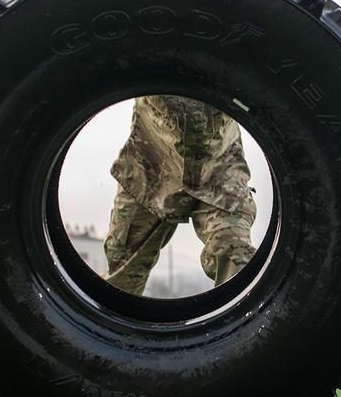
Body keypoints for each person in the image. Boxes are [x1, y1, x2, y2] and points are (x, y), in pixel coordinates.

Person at [103, 95, 257, 295]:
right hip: (152, 163)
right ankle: (112, 321)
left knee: (235, 254)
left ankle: (241, 321)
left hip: (218, 168)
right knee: (120, 267)